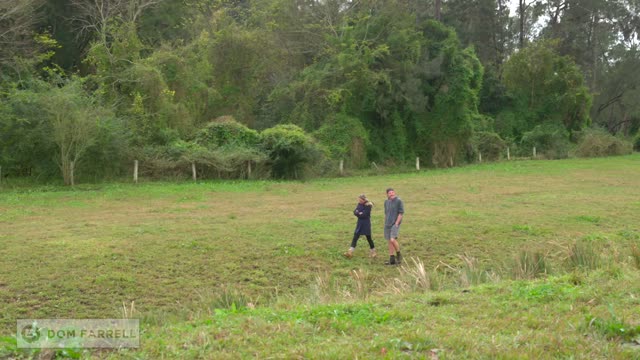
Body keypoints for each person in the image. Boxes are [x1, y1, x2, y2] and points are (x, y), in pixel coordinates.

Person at [343, 194, 377, 259]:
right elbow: (355, 211)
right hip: (360, 223)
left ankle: (373, 252)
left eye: (360, 200)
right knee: (355, 236)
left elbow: (364, 215)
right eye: (359, 200)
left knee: (368, 238)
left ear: (364, 200)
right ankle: (350, 252)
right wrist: (358, 213)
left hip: (366, 224)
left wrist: (359, 213)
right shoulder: (359, 204)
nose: (359, 201)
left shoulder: (368, 205)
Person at [384, 188, 404, 265]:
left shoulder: (399, 201)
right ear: (387, 194)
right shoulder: (386, 202)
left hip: (395, 224)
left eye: (392, 192)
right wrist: (385, 222)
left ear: (394, 193)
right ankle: (391, 258)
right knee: (389, 241)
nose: (391, 194)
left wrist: (396, 223)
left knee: (392, 240)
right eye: (389, 193)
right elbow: (386, 213)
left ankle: (399, 254)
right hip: (387, 224)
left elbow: (401, 213)